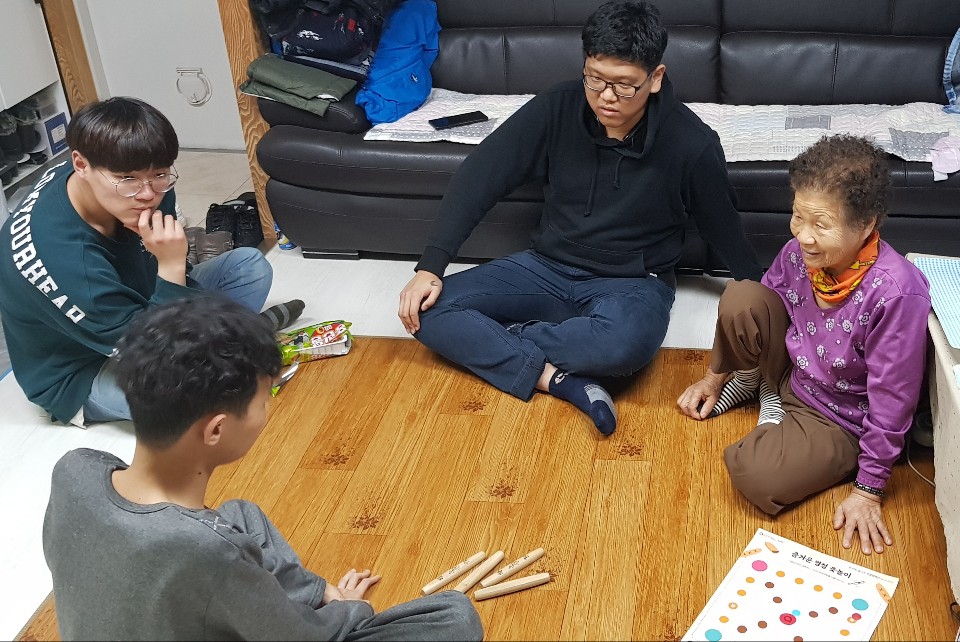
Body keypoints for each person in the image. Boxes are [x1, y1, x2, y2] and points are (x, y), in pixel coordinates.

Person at [398, 0, 761, 436]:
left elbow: (722, 227)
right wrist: (431, 266)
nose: (606, 96)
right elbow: (480, 176)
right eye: (595, 79)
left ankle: (498, 339)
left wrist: (767, 297)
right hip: (545, 267)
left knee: (622, 348)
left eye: (623, 85)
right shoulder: (557, 106)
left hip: (633, 283)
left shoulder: (692, 143)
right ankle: (560, 381)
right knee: (426, 310)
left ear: (656, 78)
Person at [42, 296, 484, 641]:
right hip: (238, 593)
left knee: (241, 514)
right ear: (216, 429)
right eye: (263, 398)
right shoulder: (207, 551)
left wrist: (318, 595)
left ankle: (315, 594)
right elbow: (302, 637)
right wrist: (349, 609)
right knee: (454, 617)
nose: (268, 409)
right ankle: (322, 600)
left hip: (185, 591)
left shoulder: (74, 470)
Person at [677, 134, 931, 555]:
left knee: (754, 474)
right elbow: (764, 305)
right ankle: (761, 387)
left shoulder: (896, 293)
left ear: (866, 225)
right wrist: (713, 379)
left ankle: (770, 397)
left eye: (821, 225)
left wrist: (868, 489)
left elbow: (893, 398)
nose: (804, 236)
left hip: (842, 415)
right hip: (797, 369)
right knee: (741, 297)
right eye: (798, 217)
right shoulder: (801, 253)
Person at [0, 96, 303, 427]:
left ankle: (230, 345)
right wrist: (171, 266)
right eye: (127, 179)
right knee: (186, 396)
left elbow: (175, 288)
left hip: (139, 307)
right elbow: (152, 355)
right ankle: (239, 341)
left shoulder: (138, 181)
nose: (147, 194)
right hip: (84, 367)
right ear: (81, 165)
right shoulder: (64, 258)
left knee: (248, 268)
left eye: (159, 174)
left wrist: (176, 266)